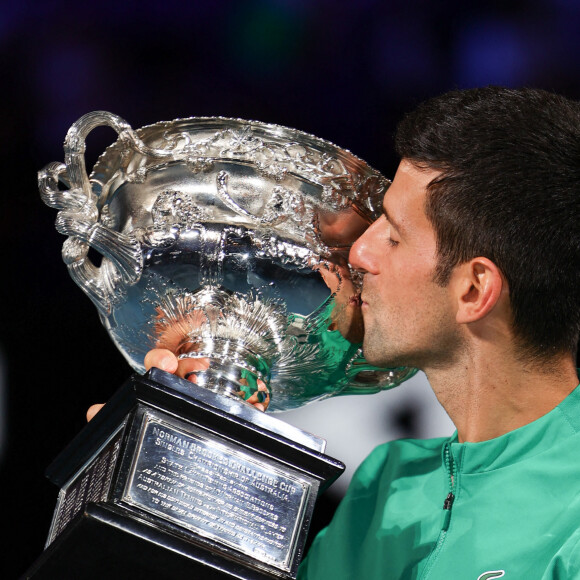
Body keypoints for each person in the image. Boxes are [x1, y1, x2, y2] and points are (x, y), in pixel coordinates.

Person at [92, 86, 580, 578]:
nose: (360, 255)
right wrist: (183, 477)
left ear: (474, 291)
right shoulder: (388, 485)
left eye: (393, 235)